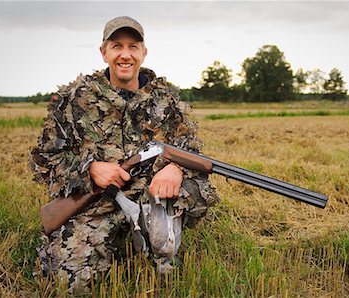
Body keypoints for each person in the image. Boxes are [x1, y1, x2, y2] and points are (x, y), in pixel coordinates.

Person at [29, 16, 219, 294]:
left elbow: (191, 150)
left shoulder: (166, 99)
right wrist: (90, 168)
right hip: (97, 205)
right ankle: (114, 245)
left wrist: (175, 169)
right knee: (64, 285)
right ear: (103, 52)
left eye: (133, 46)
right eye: (117, 46)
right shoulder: (75, 99)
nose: (125, 54)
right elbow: (44, 159)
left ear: (144, 53)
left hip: (150, 202)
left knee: (196, 185)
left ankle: (158, 246)